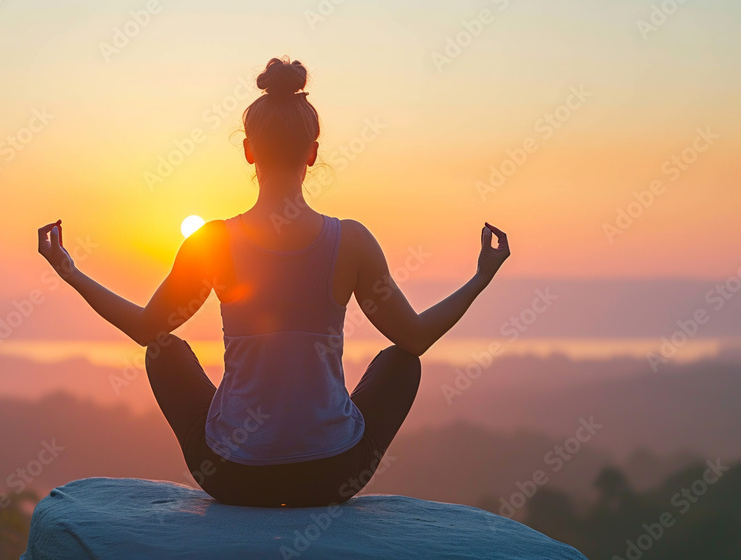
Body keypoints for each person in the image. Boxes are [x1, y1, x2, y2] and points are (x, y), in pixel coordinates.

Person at [37, 57, 510, 507]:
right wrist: (480, 278)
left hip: (233, 477)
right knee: (401, 363)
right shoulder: (352, 241)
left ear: (247, 150)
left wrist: (70, 271)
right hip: (330, 477)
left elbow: (146, 327)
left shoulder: (213, 241)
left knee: (165, 350)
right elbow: (416, 338)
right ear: (314, 152)